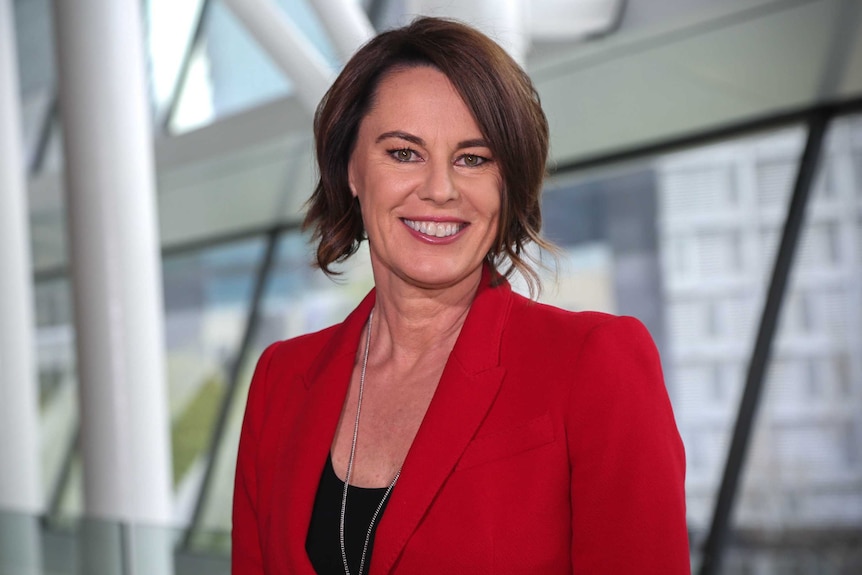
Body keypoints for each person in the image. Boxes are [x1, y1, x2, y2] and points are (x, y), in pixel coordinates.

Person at [232, 16, 690, 575]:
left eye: (473, 158)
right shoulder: (281, 378)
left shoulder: (594, 362)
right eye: (404, 153)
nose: (440, 189)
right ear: (351, 168)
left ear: (508, 182)